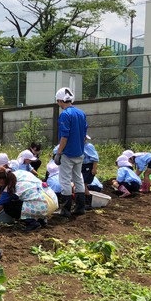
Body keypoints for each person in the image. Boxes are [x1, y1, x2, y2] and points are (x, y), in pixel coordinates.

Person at [0, 168, 58, 232]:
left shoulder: (10, 187)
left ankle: (32, 222)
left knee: (8, 207)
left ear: (1, 180)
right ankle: (41, 219)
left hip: (44, 206)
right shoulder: (20, 173)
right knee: (28, 199)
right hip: (52, 199)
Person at [54, 87, 88, 217]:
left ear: (60, 100)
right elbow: (85, 135)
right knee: (78, 178)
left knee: (65, 181)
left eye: (58, 102)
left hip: (67, 153)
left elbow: (64, 136)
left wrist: (59, 152)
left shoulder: (65, 114)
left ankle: (66, 210)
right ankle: (80, 208)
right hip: (79, 152)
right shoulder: (81, 113)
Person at [82, 137, 99, 208]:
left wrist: (94, 169)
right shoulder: (81, 146)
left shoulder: (88, 146)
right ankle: (86, 201)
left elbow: (95, 158)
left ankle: (88, 201)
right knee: (82, 184)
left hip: (88, 166)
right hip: (83, 166)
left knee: (83, 184)